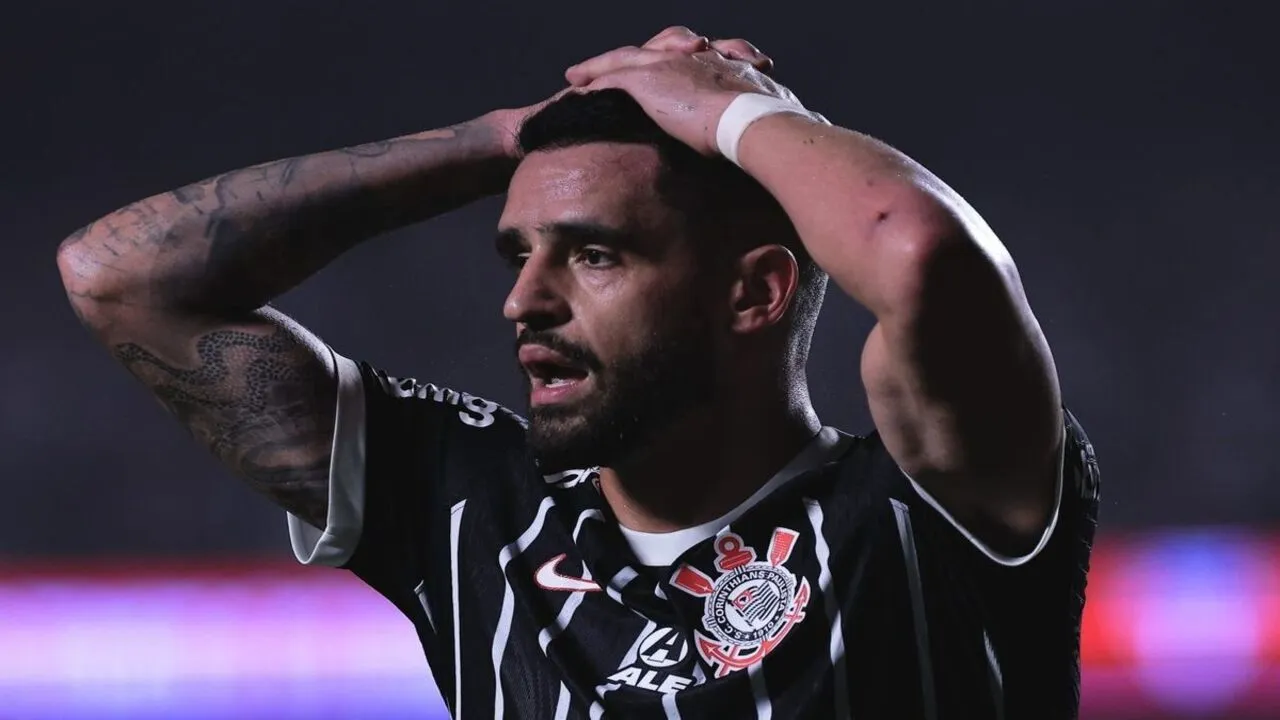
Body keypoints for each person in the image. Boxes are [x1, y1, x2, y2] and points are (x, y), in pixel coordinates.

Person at [57, 26, 1099, 720]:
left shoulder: (936, 506)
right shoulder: (464, 506)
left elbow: (918, 253)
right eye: (519, 252)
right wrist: (504, 139)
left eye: (593, 253)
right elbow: (120, 277)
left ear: (756, 293)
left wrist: (730, 111)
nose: (525, 300)